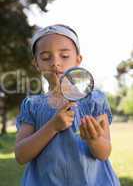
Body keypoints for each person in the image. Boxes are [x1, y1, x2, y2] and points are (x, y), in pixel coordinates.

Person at [15, 24, 120, 186]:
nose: (55, 63)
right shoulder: (32, 106)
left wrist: (94, 139)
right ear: (36, 63)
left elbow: (104, 153)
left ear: (78, 60)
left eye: (64, 56)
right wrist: (53, 127)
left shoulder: (95, 101)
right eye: (45, 58)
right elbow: (21, 156)